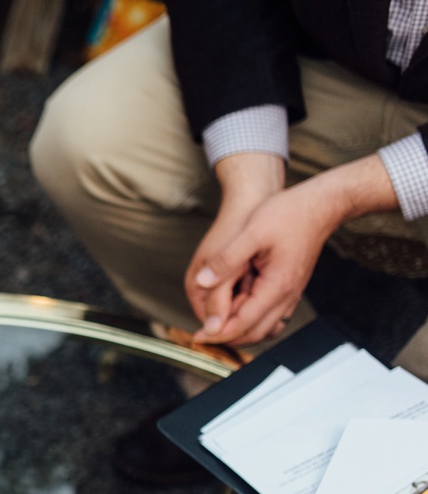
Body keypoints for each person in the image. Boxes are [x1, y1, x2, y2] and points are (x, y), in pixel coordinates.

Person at [29, 4, 428, 387]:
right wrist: (250, 187)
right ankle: (268, 385)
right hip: (328, 56)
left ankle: (393, 415)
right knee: (86, 141)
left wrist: (334, 199)